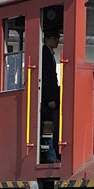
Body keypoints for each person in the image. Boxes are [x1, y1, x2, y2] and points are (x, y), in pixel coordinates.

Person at [41, 31, 61, 163]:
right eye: (54, 38)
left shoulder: (49, 53)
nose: (57, 41)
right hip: (48, 99)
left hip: (50, 97)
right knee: (49, 126)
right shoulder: (45, 54)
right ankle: (50, 154)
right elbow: (47, 78)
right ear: (47, 38)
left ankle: (51, 153)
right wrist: (50, 99)